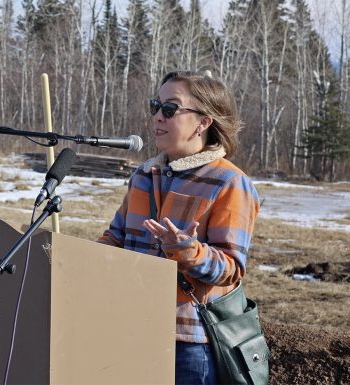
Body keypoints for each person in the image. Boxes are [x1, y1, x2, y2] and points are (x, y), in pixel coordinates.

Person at [98, 70, 260, 385]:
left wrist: (189, 252)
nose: (158, 116)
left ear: (203, 123)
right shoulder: (144, 176)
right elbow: (115, 239)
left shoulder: (230, 182)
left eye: (170, 109)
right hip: (134, 327)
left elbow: (231, 267)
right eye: (155, 106)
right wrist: (74, 256)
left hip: (188, 343)